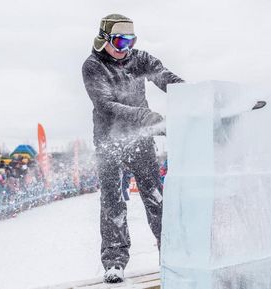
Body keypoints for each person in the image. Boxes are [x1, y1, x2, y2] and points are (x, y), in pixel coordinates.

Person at [82, 14, 184, 283]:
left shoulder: (140, 60)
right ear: (103, 38)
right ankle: (114, 260)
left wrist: (191, 96)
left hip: (140, 141)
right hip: (109, 141)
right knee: (112, 200)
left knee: (155, 197)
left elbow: (164, 77)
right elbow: (105, 104)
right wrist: (146, 117)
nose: (124, 47)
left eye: (130, 40)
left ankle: (170, 252)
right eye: (119, 40)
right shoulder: (93, 66)